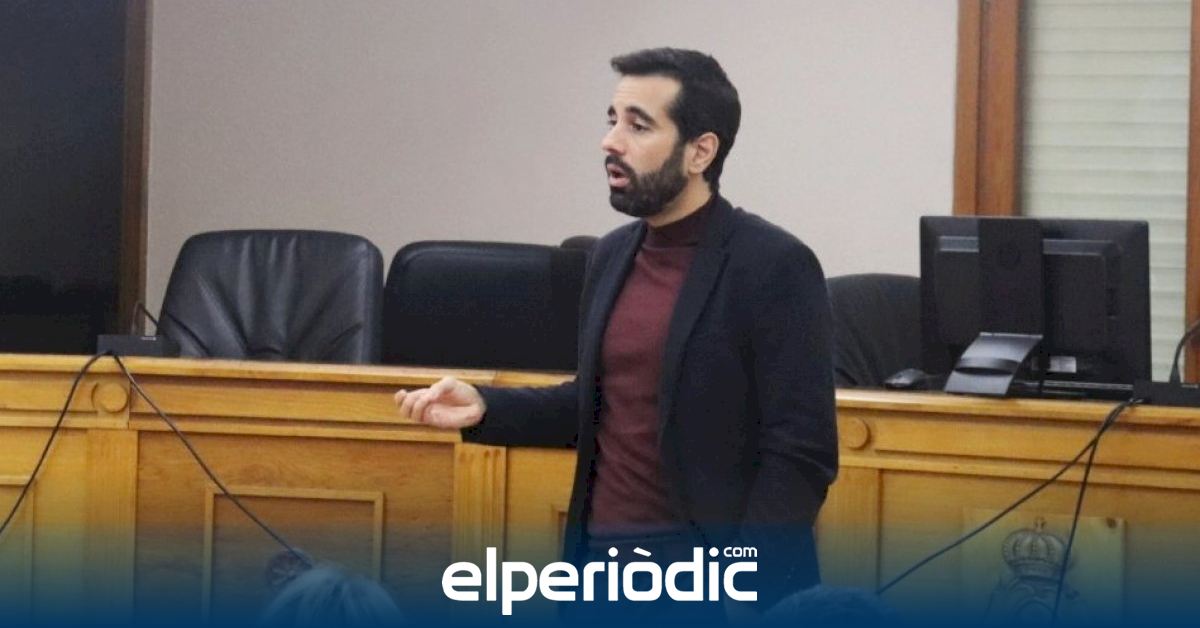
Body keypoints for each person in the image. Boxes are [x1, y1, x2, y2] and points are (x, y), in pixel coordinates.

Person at [395, 47, 837, 619]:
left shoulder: (772, 264)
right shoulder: (610, 255)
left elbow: (800, 453)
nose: (611, 142)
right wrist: (486, 406)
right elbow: (600, 405)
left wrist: (743, 583)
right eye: (611, 120)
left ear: (700, 151)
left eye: (638, 125)